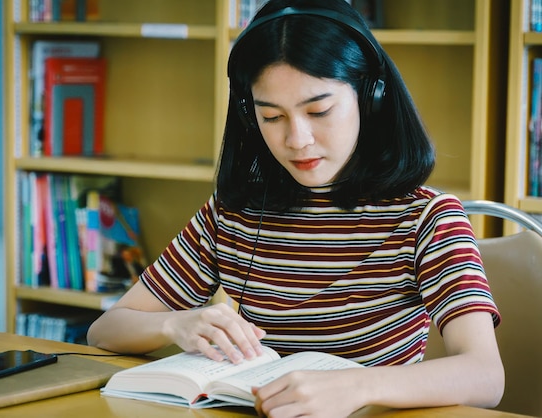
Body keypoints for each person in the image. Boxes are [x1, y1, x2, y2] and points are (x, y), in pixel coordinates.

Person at [87, 0, 505, 416]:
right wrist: (173, 324)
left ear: (370, 96)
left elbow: (485, 376)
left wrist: (358, 386)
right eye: (271, 117)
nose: (297, 139)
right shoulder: (234, 213)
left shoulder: (427, 219)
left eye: (319, 110)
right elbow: (105, 330)